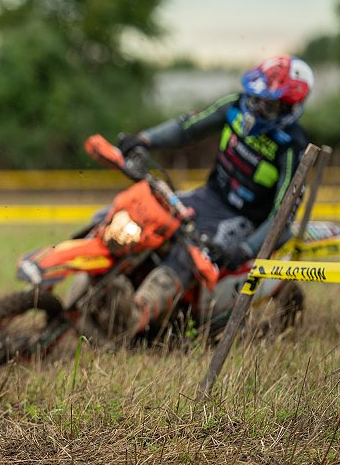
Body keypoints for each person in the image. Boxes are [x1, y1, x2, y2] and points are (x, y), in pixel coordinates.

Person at [114, 55, 313, 335]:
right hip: (207, 196)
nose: (257, 107)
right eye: (256, 98)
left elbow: (283, 215)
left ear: (290, 108)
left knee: (190, 251)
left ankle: (137, 315)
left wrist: (245, 250)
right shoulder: (235, 106)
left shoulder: (293, 147)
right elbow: (188, 128)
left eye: (268, 104)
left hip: (243, 220)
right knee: (144, 215)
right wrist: (145, 139)